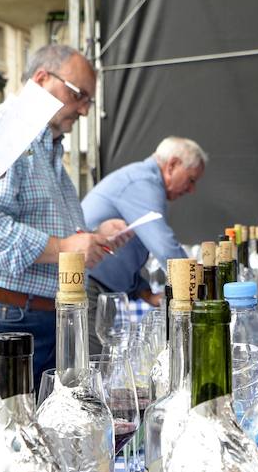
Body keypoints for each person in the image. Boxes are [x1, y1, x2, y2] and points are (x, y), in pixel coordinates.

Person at [0, 43, 127, 404]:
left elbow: (42, 229)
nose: (84, 109)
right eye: (79, 95)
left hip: (20, 317)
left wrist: (90, 240)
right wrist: (67, 248)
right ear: (41, 79)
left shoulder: (45, 147)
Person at [80, 136, 206, 352]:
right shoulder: (142, 183)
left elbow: (128, 251)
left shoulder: (142, 181)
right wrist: (199, 289)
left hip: (96, 289)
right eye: (191, 179)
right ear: (172, 165)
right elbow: (165, 247)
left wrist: (142, 290)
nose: (191, 189)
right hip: (87, 287)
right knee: (91, 371)